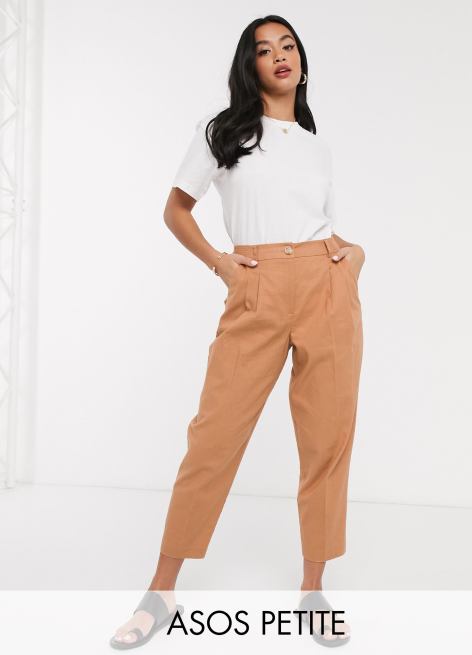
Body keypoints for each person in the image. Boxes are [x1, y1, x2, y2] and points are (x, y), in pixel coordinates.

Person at [110, 14, 364, 649]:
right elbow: (176, 209)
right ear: (248, 66)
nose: (280, 56)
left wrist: (353, 256)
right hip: (255, 285)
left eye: (288, 46)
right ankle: (161, 591)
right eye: (264, 49)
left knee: (327, 440)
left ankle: (313, 589)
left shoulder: (315, 145)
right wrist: (220, 263)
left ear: (301, 59)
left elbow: (318, 223)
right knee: (214, 437)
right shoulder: (224, 130)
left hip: (326, 286)